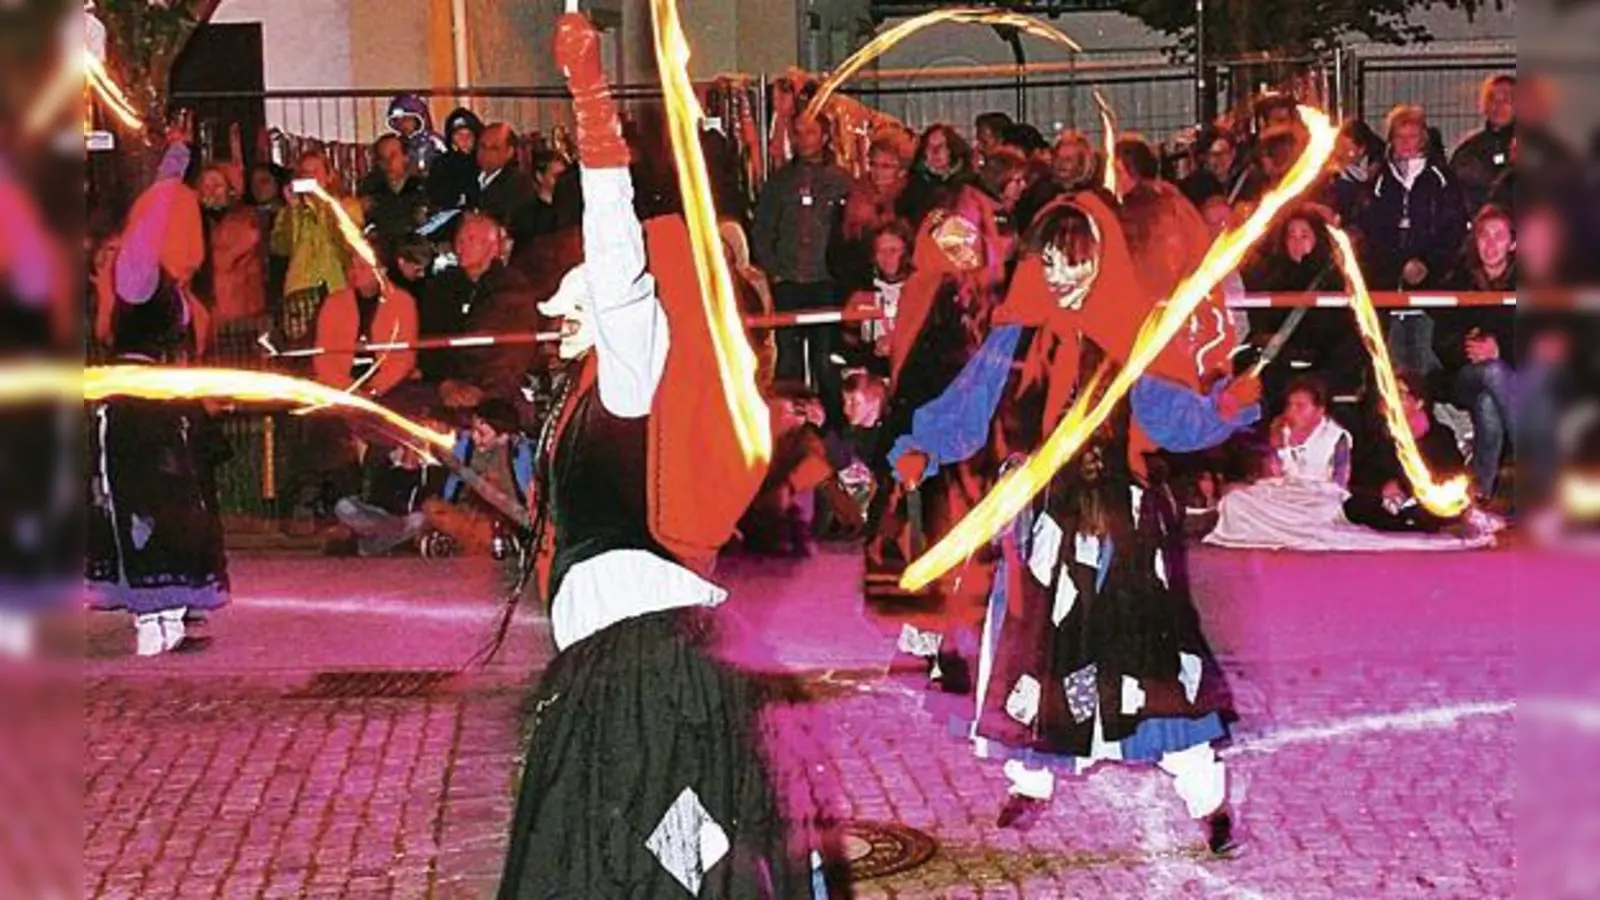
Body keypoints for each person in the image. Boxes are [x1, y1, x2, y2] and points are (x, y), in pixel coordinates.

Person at [498, 15, 823, 897]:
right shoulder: (577, 403)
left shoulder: (630, 372)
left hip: (656, 677)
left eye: (573, 306)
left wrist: (591, 103)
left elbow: (618, 255)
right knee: (607, 869)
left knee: (669, 871)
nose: (554, 320)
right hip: (613, 675)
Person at [889, 193, 1260, 850]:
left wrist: (1225, 406)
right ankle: (1030, 778)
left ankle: (1204, 790)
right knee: (1034, 652)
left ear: (1102, 261)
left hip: (1119, 521)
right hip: (1040, 526)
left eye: (1076, 264)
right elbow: (967, 405)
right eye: (1052, 261)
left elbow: (1173, 419)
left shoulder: (1130, 337)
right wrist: (924, 444)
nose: (1061, 277)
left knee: (1145, 657)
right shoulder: (1016, 337)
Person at [86, 126, 229, 656]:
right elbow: (147, 225)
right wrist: (174, 160)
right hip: (136, 416)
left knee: (175, 512)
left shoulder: (171, 287)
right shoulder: (137, 277)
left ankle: (168, 615)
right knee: (144, 510)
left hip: (167, 413)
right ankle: (152, 619)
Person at [1206, 378, 1491, 551]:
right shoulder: (1379, 434)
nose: (1293, 412)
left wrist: (1403, 486)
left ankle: (1435, 521)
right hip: (1301, 494)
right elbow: (1368, 473)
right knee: (1238, 499)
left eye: (1401, 394)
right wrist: (1277, 454)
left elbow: (1340, 483)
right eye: (1290, 405)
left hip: (1362, 498)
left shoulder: (1437, 435)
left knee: (1349, 509)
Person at [420, 398, 533, 557]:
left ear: (503, 437)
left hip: (505, 519)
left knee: (486, 530)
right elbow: (453, 488)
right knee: (432, 508)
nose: (475, 437)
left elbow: (522, 506)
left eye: (482, 433)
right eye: (474, 430)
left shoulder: (520, 454)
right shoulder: (466, 445)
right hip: (469, 513)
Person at [1450, 74, 1516, 213]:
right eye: (1492, 98)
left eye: (1506, 99)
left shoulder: (1540, 149)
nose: (1497, 106)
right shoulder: (1469, 150)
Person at [427, 106, 485, 211]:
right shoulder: (441, 165)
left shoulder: (484, 163)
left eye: (469, 135)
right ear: (451, 138)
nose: (464, 139)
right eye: (459, 134)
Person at [385, 92, 447, 175]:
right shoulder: (395, 144)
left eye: (407, 119)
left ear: (419, 120)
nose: (402, 124)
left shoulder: (435, 141)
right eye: (397, 121)